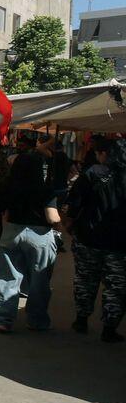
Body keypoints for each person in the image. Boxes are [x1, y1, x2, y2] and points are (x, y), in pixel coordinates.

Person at [0, 148, 63, 333]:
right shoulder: (45, 188)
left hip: (11, 232)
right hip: (39, 236)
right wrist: (60, 226)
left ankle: (3, 319)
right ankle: (36, 320)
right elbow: (53, 217)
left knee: (7, 277)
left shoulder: (6, 185)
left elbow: (1, 211)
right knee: (39, 281)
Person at [65, 139, 125, 343]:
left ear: (104, 154)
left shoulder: (92, 173)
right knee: (116, 286)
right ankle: (109, 328)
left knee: (85, 280)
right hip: (119, 244)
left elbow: (73, 205)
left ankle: (81, 320)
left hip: (88, 239)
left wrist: (70, 226)